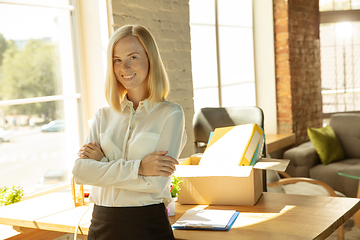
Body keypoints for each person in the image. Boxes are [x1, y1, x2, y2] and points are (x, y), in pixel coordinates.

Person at [72, 25, 187, 240]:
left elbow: (156, 183)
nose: (124, 66)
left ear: (150, 58)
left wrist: (102, 163)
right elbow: (80, 172)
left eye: (132, 57)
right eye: (117, 60)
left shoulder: (171, 114)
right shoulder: (102, 116)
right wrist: (140, 168)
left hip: (147, 226)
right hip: (100, 224)